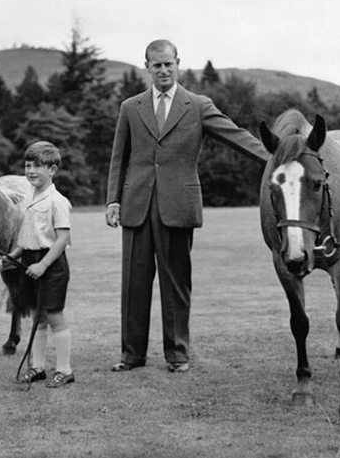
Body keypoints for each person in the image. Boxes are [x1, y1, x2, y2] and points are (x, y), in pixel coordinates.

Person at [105, 39, 269, 373]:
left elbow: (237, 136)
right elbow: (118, 158)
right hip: (137, 205)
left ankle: (177, 354)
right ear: (147, 67)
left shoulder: (197, 105)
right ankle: (132, 355)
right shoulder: (130, 107)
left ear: (178, 63)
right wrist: (113, 200)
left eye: (168, 64)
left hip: (178, 206)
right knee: (134, 284)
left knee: (176, 283)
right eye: (157, 65)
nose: (163, 70)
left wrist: (276, 159)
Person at [1, 141, 74, 388]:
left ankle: (65, 370)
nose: (31, 171)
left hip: (51, 265)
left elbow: (62, 239)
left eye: (37, 166)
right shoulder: (28, 200)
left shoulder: (58, 201)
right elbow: (27, 237)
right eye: (27, 166)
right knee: (37, 318)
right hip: (30, 263)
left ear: (52, 170)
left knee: (54, 317)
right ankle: (38, 368)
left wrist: (42, 265)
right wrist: (13, 256)